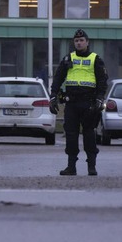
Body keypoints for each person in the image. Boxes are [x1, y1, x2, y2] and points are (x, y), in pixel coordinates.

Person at [49, 29, 108, 176]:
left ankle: (91, 166)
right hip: (72, 103)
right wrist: (53, 96)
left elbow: (102, 81)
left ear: (87, 42)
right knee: (71, 135)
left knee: (89, 134)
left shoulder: (96, 59)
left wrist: (100, 98)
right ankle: (71, 166)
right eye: (76, 41)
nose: (79, 43)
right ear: (74, 43)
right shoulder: (68, 59)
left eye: (82, 40)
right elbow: (58, 79)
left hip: (89, 103)